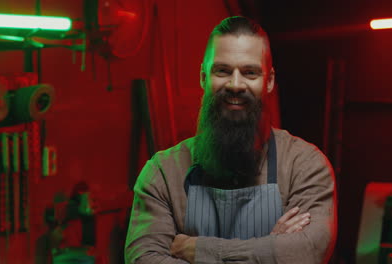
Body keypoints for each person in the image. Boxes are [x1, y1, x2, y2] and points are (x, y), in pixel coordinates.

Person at [125, 16, 337, 264]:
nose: (236, 85)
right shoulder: (162, 172)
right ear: (203, 77)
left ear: (268, 82)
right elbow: (143, 260)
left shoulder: (305, 166)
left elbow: (307, 253)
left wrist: (199, 250)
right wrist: (270, 249)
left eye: (250, 72)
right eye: (223, 71)